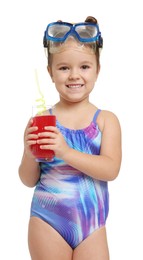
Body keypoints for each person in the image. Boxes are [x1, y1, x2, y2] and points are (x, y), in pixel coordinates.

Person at [19, 16, 122, 260]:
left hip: (92, 227)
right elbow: (27, 179)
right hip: (48, 221)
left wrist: (65, 152)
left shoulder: (106, 120)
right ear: (50, 72)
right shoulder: (42, 121)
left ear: (98, 69)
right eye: (64, 68)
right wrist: (28, 153)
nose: (74, 75)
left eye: (84, 67)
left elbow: (111, 169)